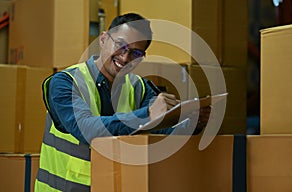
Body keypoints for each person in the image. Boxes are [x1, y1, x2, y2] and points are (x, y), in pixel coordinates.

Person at [34, 13, 210, 191]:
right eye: (120, 46)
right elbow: (86, 129)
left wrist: (191, 124)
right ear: (103, 39)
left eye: (136, 53)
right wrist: (147, 114)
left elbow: (160, 129)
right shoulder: (65, 82)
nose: (125, 58)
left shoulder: (138, 87)